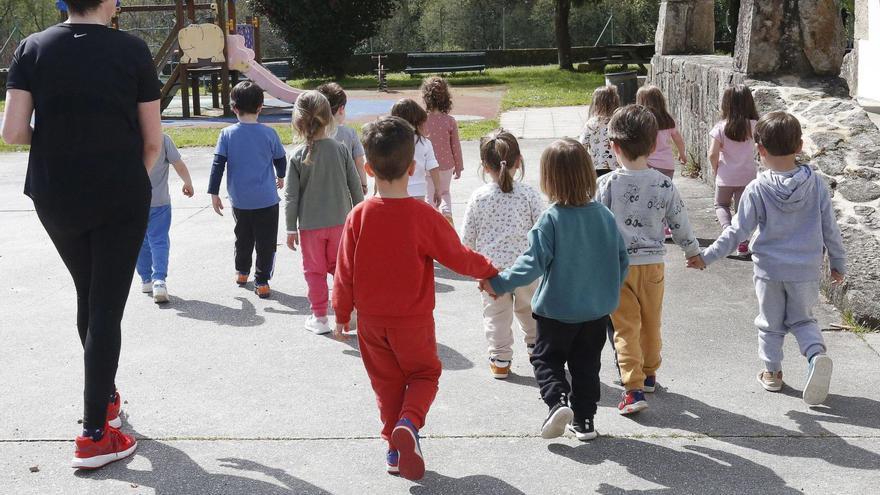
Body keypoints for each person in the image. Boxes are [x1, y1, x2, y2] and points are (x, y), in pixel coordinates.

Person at [2, 0, 162, 469]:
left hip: (56, 193)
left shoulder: (32, 48)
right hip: (119, 191)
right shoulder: (132, 49)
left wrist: (59, 138)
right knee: (106, 307)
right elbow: (152, 142)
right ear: (109, 2)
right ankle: (94, 434)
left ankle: (105, 397)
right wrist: (128, 177)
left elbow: (13, 131)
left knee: (89, 294)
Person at [332, 117, 498, 481]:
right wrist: (489, 269)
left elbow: (344, 271)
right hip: (413, 321)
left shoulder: (358, 216)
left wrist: (342, 313)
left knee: (387, 385)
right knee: (424, 373)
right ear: (412, 167)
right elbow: (458, 256)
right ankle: (409, 423)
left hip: (371, 324)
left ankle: (394, 449)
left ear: (368, 167)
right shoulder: (423, 216)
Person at [691, 111, 846, 406]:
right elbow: (830, 228)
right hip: (805, 269)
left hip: (769, 270)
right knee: (802, 319)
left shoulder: (756, 189)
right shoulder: (816, 185)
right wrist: (838, 264)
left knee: (770, 323)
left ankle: (772, 373)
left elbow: (737, 232)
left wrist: (706, 256)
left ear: (759, 150)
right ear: (799, 146)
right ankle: (816, 356)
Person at [481, 139, 628, 441]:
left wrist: (499, 283)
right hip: (595, 312)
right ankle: (585, 421)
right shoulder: (604, 216)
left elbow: (531, 265)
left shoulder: (551, 220)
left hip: (556, 311)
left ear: (549, 179)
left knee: (546, 360)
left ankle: (557, 401)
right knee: (587, 367)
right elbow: (621, 260)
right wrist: (607, 289)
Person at [595, 104, 704, 416]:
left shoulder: (607, 184)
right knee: (651, 321)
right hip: (653, 264)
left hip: (617, 268)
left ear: (614, 146)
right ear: (656, 144)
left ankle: (632, 388)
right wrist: (692, 250)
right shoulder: (663, 183)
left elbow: (595, 224)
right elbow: (680, 220)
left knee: (625, 328)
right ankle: (650, 372)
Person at [461, 130, 545, 379]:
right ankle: (536, 350)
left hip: (491, 272)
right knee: (530, 310)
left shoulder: (479, 198)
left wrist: (475, 268)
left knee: (496, 316)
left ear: (485, 166)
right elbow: (541, 230)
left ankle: (500, 359)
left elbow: (467, 240)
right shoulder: (529, 195)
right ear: (518, 161)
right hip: (526, 268)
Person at [286, 91, 364, 335]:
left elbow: (291, 196)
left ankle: (320, 318)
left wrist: (290, 228)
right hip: (341, 222)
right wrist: (360, 219)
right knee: (341, 269)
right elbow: (355, 186)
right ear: (329, 117)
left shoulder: (297, 155)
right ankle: (350, 310)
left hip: (310, 227)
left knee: (315, 271)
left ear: (298, 121)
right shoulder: (340, 150)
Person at [208, 81, 287, 299]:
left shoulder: (226, 134)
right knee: (266, 241)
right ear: (261, 107)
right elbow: (281, 160)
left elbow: (218, 164)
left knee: (242, 237)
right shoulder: (269, 134)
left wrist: (213, 192)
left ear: (234, 108)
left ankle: (242, 272)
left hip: (240, 200)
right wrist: (281, 176)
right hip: (267, 200)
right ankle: (262, 282)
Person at [137, 133, 194, 304]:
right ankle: (159, 280)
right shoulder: (161, 139)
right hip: (159, 202)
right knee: (159, 240)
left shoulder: (128, 137)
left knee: (139, 241)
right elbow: (178, 164)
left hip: (133, 202)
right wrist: (188, 182)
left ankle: (146, 279)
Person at [709, 85, 759, 255]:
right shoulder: (755, 125)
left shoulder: (721, 127)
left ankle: (727, 232)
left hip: (726, 176)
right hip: (747, 176)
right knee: (741, 212)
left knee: (721, 204)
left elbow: (712, 154)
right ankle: (743, 243)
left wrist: (716, 169)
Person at [421, 76, 463, 224]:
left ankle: (430, 221)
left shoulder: (422, 121)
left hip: (427, 165)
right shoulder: (450, 121)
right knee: (445, 192)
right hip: (446, 164)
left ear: (426, 98)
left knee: (430, 193)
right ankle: (447, 215)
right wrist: (458, 166)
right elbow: (455, 146)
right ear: (446, 98)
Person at [316, 82, 369, 195]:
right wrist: (363, 184)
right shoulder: (350, 133)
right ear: (341, 109)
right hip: (346, 189)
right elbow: (359, 162)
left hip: (320, 189)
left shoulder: (314, 133)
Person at [390, 98, 442, 203]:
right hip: (418, 189)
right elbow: (433, 167)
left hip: (395, 189)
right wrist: (437, 189)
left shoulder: (391, 142)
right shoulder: (424, 142)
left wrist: (377, 187)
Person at [637, 85, 686, 180]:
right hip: (667, 164)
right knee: (664, 191)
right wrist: (682, 154)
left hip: (648, 164)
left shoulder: (641, 122)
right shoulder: (668, 120)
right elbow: (678, 139)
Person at [579, 85, 621, 176]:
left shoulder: (590, 124)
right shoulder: (619, 122)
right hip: (617, 167)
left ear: (596, 104)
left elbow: (582, 146)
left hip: (597, 167)